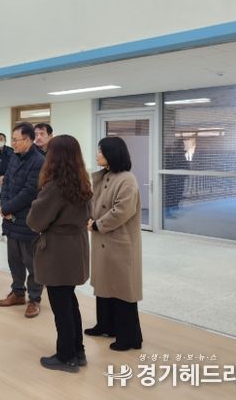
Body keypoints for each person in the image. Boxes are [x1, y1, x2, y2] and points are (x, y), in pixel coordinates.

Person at [27, 135, 92, 373]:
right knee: (69, 300)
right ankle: (78, 351)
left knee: (60, 305)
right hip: (76, 246)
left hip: (58, 250)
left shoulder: (55, 187)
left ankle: (66, 356)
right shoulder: (82, 182)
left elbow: (35, 220)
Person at [86, 136, 143, 351]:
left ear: (112, 154)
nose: (97, 155)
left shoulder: (127, 179)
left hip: (119, 242)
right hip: (103, 240)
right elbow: (94, 203)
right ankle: (105, 325)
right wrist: (89, 219)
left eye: (101, 151)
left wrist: (98, 224)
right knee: (104, 285)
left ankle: (130, 337)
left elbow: (121, 211)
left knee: (122, 290)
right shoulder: (104, 176)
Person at [0, 122, 45, 318]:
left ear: (28, 140)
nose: (13, 143)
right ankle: (17, 293)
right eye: (13, 140)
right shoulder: (14, 157)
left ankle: (34, 299)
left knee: (32, 263)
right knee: (14, 260)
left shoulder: (39, 161)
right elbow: (6, 183)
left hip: (28, 221)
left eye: (16, 140)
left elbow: (30, 191)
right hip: (11, 220)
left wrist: (7, 207)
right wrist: (4, 206)